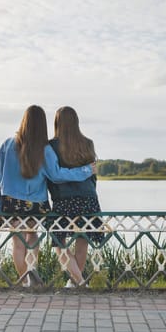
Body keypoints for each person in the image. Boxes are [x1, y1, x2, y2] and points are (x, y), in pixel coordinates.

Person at [0, 105, 95, 287]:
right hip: (36, 205)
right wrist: (85, 171)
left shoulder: (6, 145)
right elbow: (57, 175)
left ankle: (26, 282)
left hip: (11, 203)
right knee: (33, 236)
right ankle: (34, 276)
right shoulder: (44, 149)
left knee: (17, 245)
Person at [46, 106, 103, 287]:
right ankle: (77, 283)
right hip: (89, 199)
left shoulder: (51, 146)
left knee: (58, 241)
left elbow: (52, 175)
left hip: (64, 201)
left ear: (57, 123)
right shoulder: (88, 144)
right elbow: (93, 177)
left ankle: (77, 282)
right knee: (82, 241)